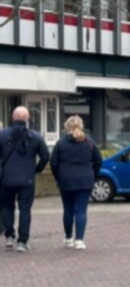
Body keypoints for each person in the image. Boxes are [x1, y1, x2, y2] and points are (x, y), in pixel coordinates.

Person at [0, 106, 51, 252]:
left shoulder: (2, 135)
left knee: (7, 207)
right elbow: (45, 156)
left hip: (7, 178)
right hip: (27, 179)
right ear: (27, 119)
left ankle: (9, 236)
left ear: (12, 117)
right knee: (25, 209)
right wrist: (36, 169)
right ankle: (22, 241)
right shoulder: (35, 136)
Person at [50, 115, 103, 250]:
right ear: (81, 126)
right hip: (85, 179)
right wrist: (92, 174)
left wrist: (58, 176)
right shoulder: (89, 142)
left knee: (68, 209)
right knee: (81, 210)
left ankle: (68, 238)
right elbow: (98, 160)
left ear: (66, 127)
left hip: (66, 180)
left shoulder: (61, 143)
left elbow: (53, 162)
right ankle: (79, 240)